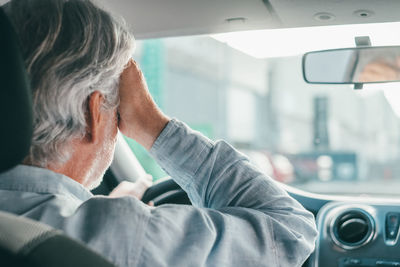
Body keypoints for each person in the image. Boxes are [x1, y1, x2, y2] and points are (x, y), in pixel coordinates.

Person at [0, 0, 318, 266]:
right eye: (118, 109)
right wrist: (155, 126)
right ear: (93, 113)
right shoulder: (125, 233)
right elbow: (290, 231)